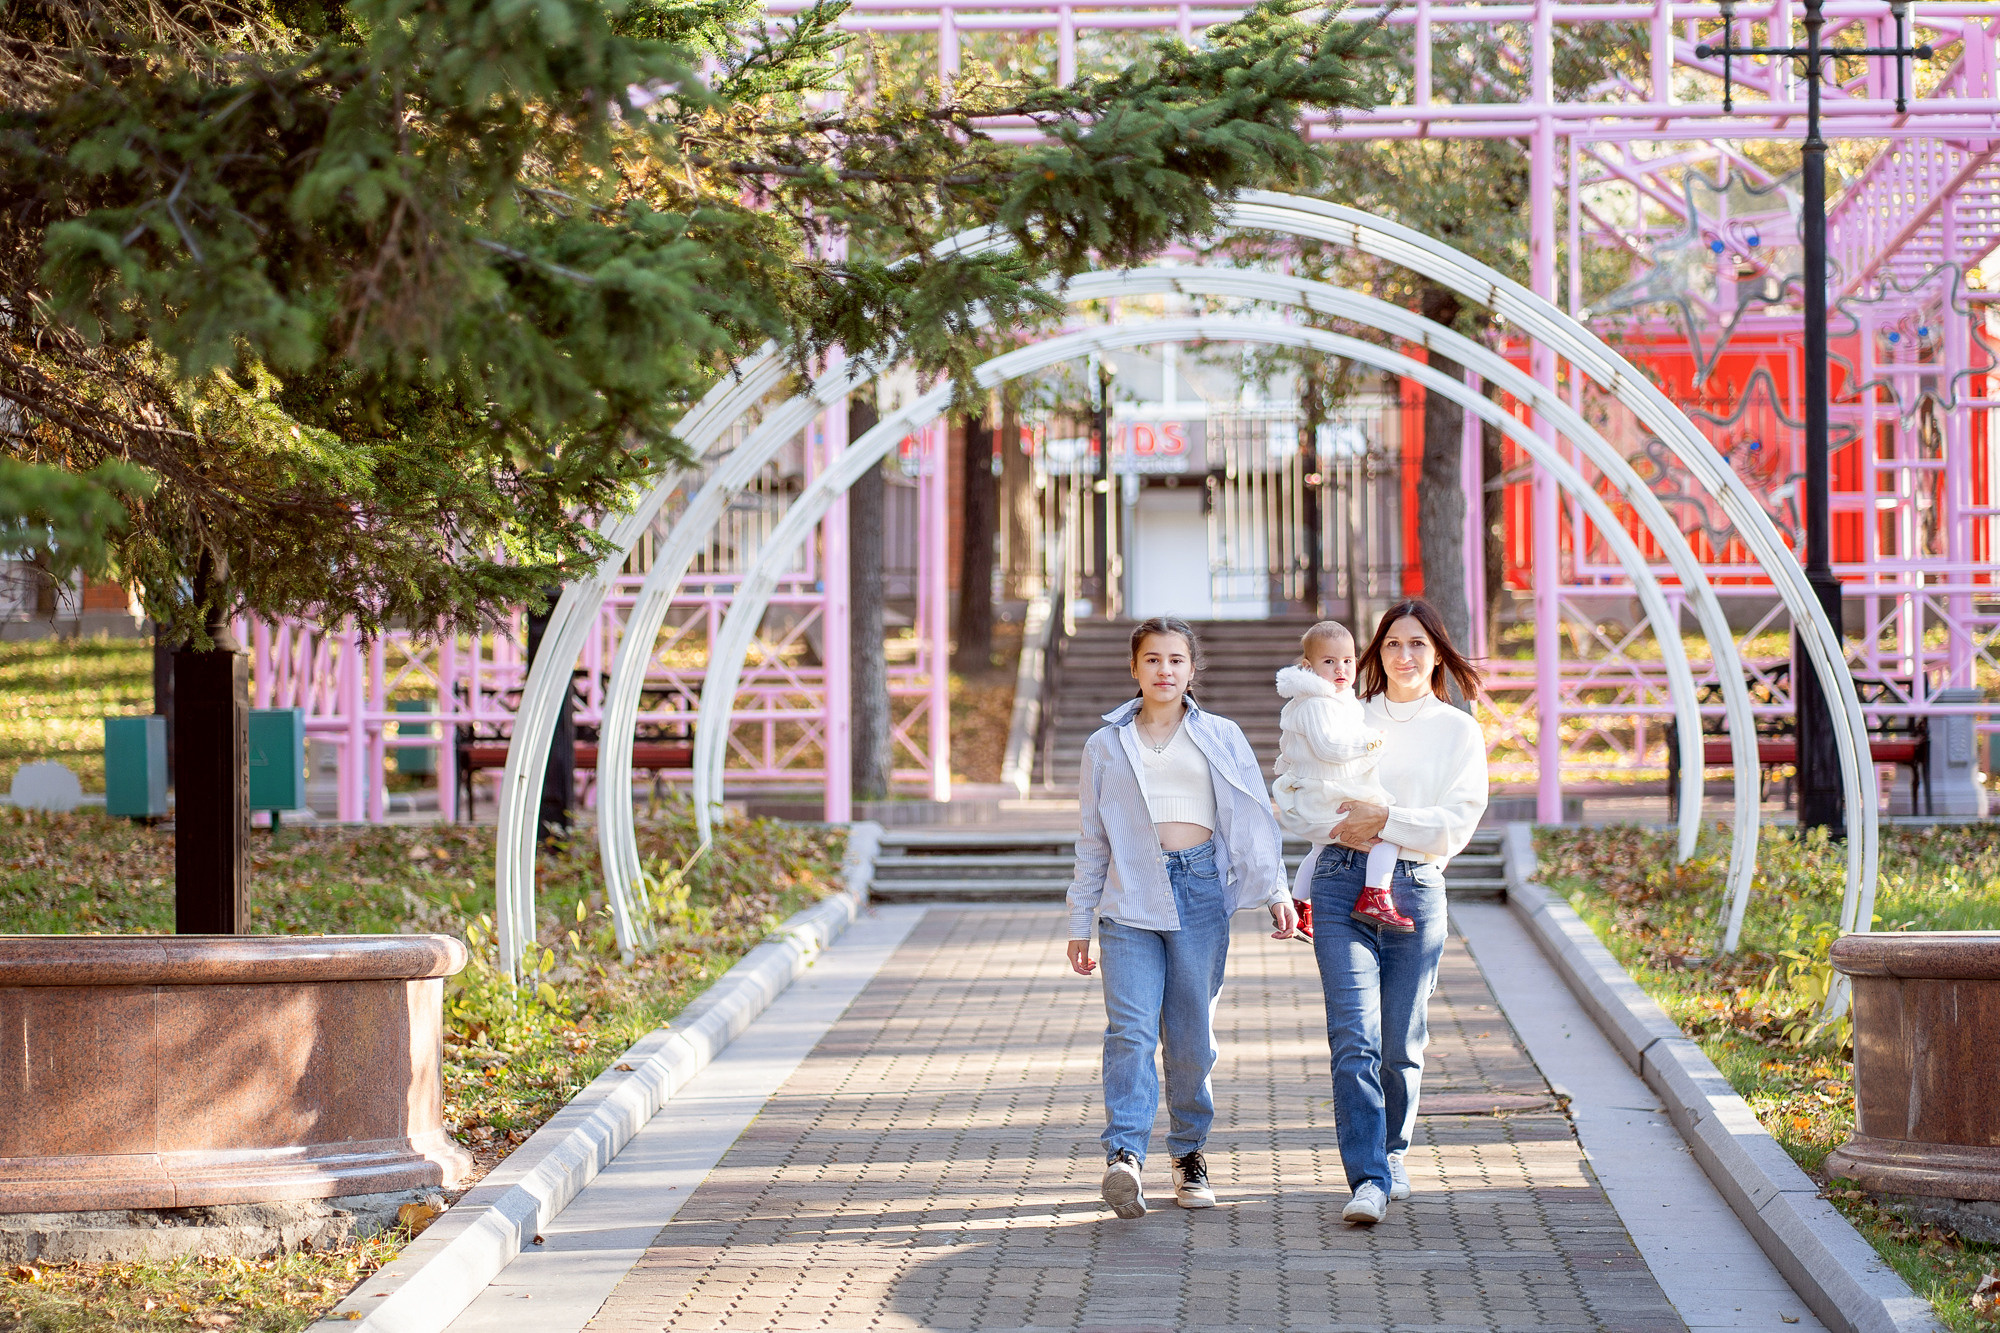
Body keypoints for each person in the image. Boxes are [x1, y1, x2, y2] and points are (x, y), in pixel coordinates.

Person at [1065, 616, 1298, 1219]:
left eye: (1175, 660)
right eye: (1152, 660)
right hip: (1129, 899)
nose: (1164, 671)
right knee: (1132, 1032)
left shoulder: (1220, 735)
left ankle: (1189, 1153)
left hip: (1199, 892)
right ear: (1134, 668)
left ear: (1192, 670)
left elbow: (1253, 820)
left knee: (1191, 1040)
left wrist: (1276, 891)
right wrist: (1078, 920)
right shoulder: (1105, 744)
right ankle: (1125, 1157)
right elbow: (1092, 838)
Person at [1306, 599, 1487, 1227]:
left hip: (1414, 887)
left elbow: (1455, 825)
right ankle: (1369, 1180)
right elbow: (1307, 794)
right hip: (1338, 884)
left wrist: (1388, 821)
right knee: (1353, 1036)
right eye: (1390, 645)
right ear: (1374, 655)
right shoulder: (1345, 718)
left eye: (1416, 644)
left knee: (1400, 1043)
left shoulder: (1457, 730)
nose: (1403, 656)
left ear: (1436, 651)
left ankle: (1393, 1148)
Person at [1271, 620, 1415, 936]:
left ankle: (1298, 905)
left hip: (1327, 788)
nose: (1341, 668)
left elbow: (1292, 745)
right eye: (1329, 661)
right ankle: (1375, 896)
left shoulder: (1335, 697)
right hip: (1330, 790)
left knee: (1320, 849)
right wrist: (1372, 742)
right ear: (1308, 667)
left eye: (1348, 660)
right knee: (1390, 832)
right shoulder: (1317, 703)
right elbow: (1330, 747)